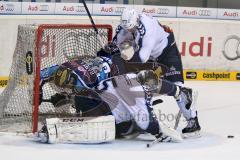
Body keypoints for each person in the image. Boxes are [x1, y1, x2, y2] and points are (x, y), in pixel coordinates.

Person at [111, 8, 201, 136]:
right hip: (152, 57)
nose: (129, 31)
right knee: (142, 85)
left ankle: (193, 121)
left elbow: (142, 58)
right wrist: (111, 47)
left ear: (136, 21)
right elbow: (117, 43)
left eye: (131, 29)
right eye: (127, 29)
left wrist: (124, 58)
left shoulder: (148, 28)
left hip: (167, 54)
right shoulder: (125, 25)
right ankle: (140, 119)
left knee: (178, 88)